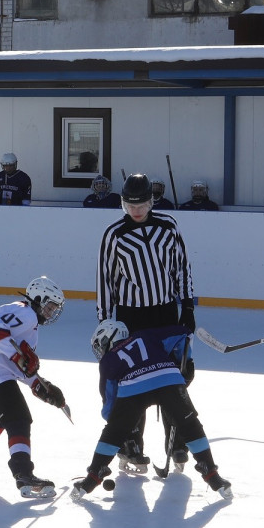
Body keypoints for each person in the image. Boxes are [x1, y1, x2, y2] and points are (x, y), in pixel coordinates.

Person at [96, 173, 197, 472]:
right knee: (132, 383)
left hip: (166, 314)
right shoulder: (114, 234)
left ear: (152, 201)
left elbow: (182, 267)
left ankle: (177, 440)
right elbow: (105, 280)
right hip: (131, 318)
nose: (136, 210)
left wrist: (188, 306)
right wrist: (105, 321)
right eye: (129, 204)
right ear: (123, 203)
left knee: (174, 379)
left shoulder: (169, 226)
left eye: (141, 204)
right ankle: (131, 441)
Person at [72, 320, 232, 500]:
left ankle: (92, 478)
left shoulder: (108, 360)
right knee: (190, 425)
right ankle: (212, 475)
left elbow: (109, 401)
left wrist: (118, 424)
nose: (101, 350)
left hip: (133, 388)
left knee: (112, 432)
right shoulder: (146, 335)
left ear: (108, 338)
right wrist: (183, 361)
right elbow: (183, 333)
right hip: (168, 378)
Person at [0, 277, 69, 499]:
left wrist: (40, 385)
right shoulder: (24, 312)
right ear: (37, 299)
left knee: (4, 411)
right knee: (19, 417)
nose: (51, 313)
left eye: (54, 309)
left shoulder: (28, 323)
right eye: (49, 307)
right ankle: (23, 474)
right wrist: (19, 357)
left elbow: (19, 365)